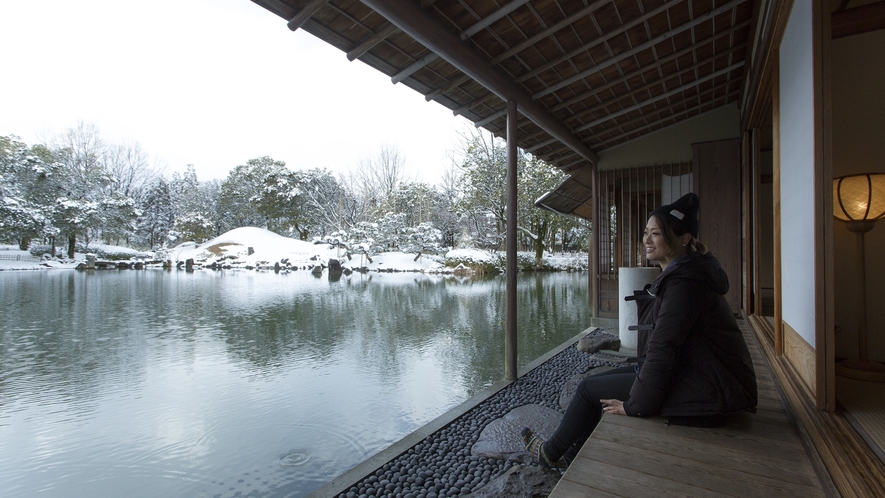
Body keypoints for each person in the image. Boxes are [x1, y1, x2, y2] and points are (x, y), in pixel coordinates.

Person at [521, 192, 758, 469]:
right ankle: (572, 453)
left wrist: (636, 406)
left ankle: (550, 454)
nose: (646, 239)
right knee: (602, 382)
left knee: (588, 389)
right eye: (646, 232)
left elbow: (664, 349)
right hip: (704, 374)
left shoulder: (685, 284)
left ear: (684, 239)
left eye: (656, 233)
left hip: (710, 390)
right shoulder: (686, 274)